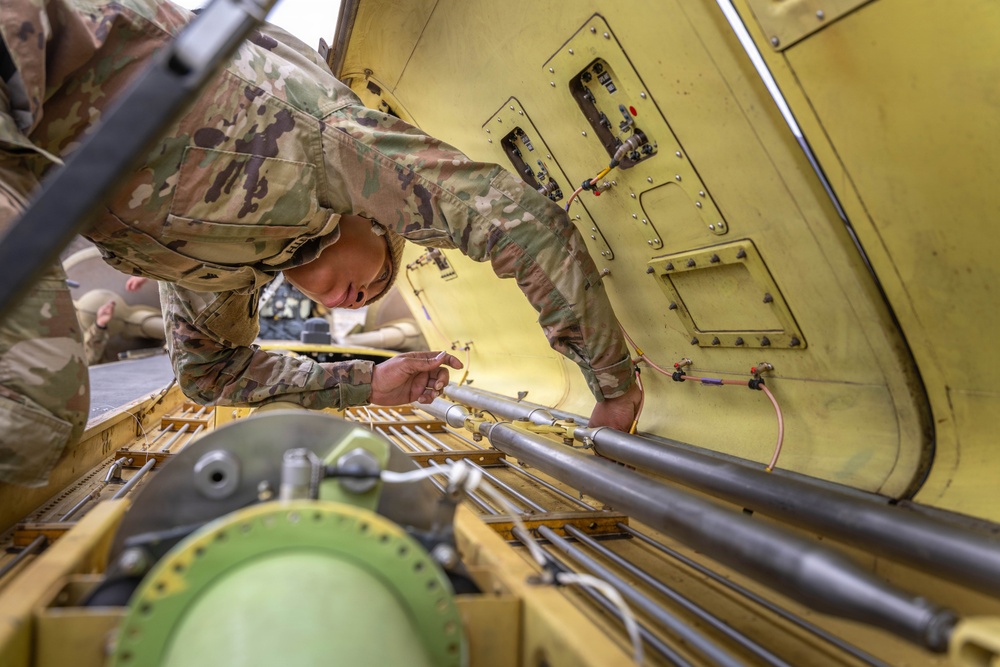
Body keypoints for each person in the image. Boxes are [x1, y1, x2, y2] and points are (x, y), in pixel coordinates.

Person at [0, 0, 640, 486]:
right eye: (377, 277)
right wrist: (612, 388)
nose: (356, 299)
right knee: (38, 414)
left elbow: (209, 373)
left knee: (36, 431)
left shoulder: (230, 272)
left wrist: (371, 384)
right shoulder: (333, 142)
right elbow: (522, 224)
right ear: (375, 221)